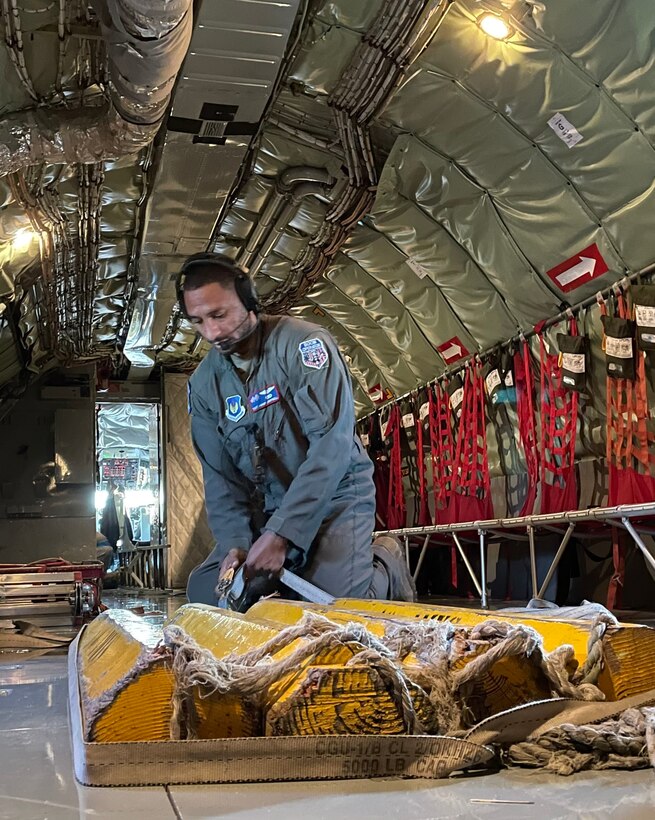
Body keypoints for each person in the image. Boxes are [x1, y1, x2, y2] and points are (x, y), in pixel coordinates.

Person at [181, 252, 415, 605]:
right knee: (206, 596)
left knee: (332, 610)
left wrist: (283, 533)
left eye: (219, 314)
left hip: (335, 498)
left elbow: (332, 447)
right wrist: (236, 545)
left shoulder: (305, 346)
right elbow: (221, 481)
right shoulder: (203, 386)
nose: (212, 332)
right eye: (198, 321)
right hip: (268, 510)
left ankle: (384, 562)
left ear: (248, 301)